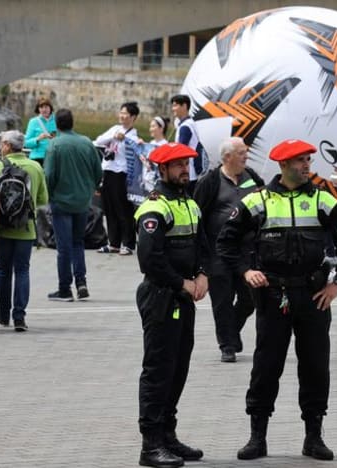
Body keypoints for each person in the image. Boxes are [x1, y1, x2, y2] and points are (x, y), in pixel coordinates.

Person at [217, 139, 337, 461]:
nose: (307, 166)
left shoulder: (324, 199)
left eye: (308, 160)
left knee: (315, 367)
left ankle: (314, 437)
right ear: (283, 165)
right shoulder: (258, 201)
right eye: (300, 161)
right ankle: (257, 437)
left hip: (313, 298)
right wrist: (245, 272)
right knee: (266, 367)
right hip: (272, 297)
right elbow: (225, 243)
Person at [134, 143, 209, 468]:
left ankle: (168, 435)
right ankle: (150, 446)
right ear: (162, 170)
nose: (183, 170)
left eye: (186, 164)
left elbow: (203, 244)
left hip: (183, 296)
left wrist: (203, 274)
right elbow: (150, 259)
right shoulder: (155, 208)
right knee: (158, 371)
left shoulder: (189, 203)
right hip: (162, 296)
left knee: (178, 369)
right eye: (177, 165)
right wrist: (184, 283)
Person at [193, 136, 264, 363]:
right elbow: (197, 217)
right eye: (241, 152)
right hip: (218, 252)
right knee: (222, 301)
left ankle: (231, 331)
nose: (246, 156)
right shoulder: (210, 181)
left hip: (248, 252)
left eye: (246, 152)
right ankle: (227, 345)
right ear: (227, 157)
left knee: (249, 298)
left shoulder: (251, 177)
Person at [44, 109, 104, 302]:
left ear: (56, 124)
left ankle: (64, 288)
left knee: (64, 247)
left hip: (61, 202)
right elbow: (98, 172)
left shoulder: (54, 145)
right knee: (78, 243)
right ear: (72, 122)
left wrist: (50, 194)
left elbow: (49, 175)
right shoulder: (87, 142)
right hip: (82, 202)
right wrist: (89, 188)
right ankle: (81, 282)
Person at [0, 130, 48, 332]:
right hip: (26, 228)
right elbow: (43, 200)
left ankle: (3, 314)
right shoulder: (35, 167)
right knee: (23, 270)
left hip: (3, 228)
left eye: (1, 143)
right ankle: (20, 317)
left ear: (7, 145)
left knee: (3, 271)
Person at [94, 101, 139, 255]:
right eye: (121, 112)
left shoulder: (133, 136)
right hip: (108, 171)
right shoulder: (115, 129)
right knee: (110, 208)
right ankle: (113, 242)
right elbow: (98, 141)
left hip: (122, 174)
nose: (122, 116)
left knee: (123, 209)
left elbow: (135, 149)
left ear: (133, 117)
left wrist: (124, 139)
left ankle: (128, 243)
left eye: (125, 113)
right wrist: (113, 137)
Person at [171, 94, 208, 194]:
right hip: (191, 173)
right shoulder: (190, 123)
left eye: (175, 105)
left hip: (186, 174)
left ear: (184, 106)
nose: (173, 108)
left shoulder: (185, 127)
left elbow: (180, 151)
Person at [138, 116, 170, 194]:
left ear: (161, 128)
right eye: (150, 127)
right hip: (147, 183)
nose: (150, 129)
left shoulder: (166, 145)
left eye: (153, 126)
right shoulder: (151, 143)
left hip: (158, 184)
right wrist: (141, 146)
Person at [24, 97, 57, 167]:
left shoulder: (57, 120)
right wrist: (38, 139)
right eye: (41, 107)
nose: (44, 110)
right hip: (37, 158)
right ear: (38, 109)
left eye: (46, 107)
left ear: (50, 108)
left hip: (54, 157)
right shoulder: (33, 122)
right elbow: (26, 143)